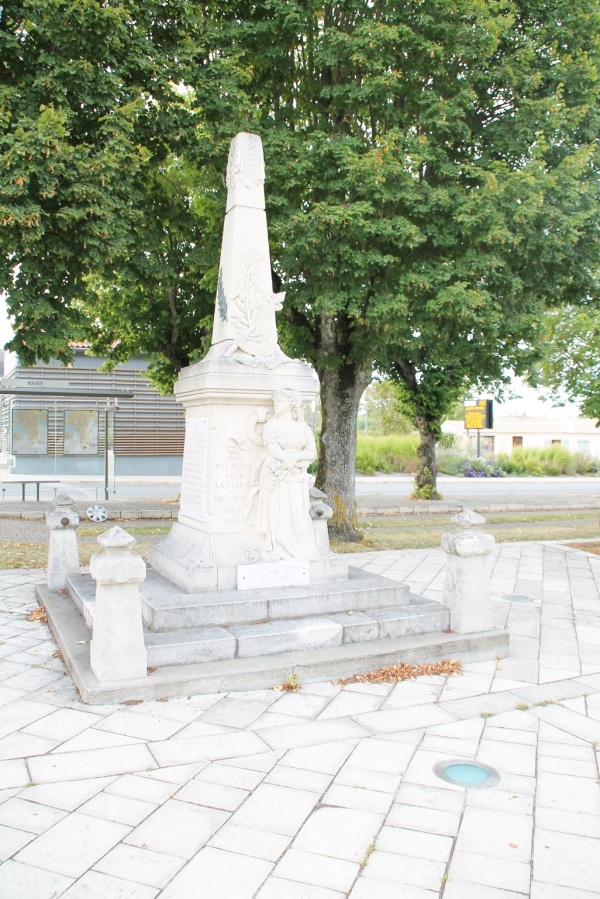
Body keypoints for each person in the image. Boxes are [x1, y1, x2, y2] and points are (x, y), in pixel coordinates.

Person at [245, 388, 317, 560]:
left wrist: (296, 458)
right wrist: (290, 460)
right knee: (280, 510)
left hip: (296, 474)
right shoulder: (272, 426)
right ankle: (279, 546)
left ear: (291, 404)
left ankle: (300, 549)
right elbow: (273, 448)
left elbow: (312, 452)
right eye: (276, 401)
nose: (277, 404)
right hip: (276, 474)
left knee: (297, 511)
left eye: (281, 401)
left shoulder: (302, 427)